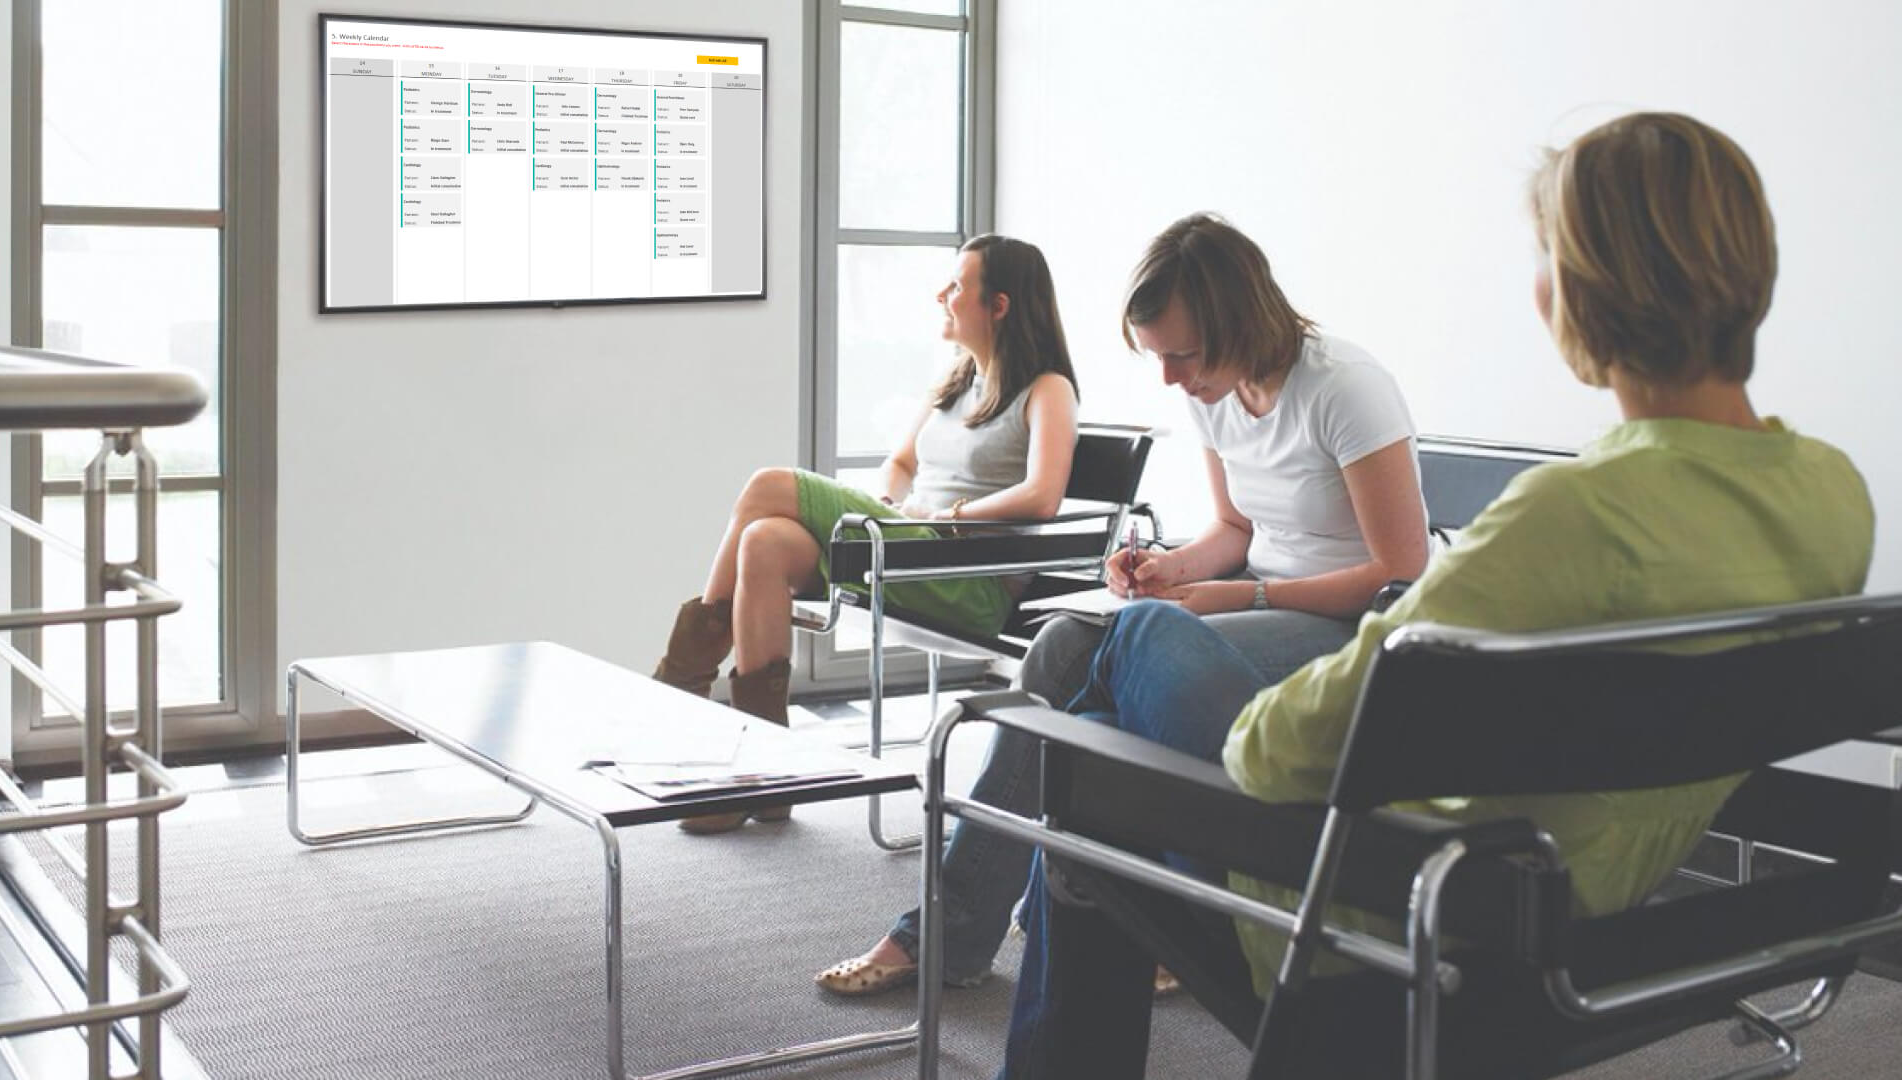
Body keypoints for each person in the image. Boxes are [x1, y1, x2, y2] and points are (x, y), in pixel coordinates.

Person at [997, 112, 1876, 1079]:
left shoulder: (1571, 517)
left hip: (1415, 905)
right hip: (1611, 896)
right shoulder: (1834, 495)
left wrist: (1210, 624)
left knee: (1108, 717)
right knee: (1091, 789)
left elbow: (1284, 748)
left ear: (1576, 291)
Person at [816, 213, 1431, 993]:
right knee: (1070, 665)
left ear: (1242, 319)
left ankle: (1015, 926)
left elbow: (1399, 571)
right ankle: (997, 931)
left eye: (1183, 355)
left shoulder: (1346, 387)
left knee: (1095, 653)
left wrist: (1239, 593)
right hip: (1260, 606)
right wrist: (1168, 568)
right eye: (1158, 357)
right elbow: (1238, 527)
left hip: (1355, 625)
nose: (1172, 379)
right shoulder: (1216, 388)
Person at [650, 234, 1080, 833]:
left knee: (765, 486)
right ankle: (768, 776)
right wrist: (886, 503)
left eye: (957, 285)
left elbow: (1043, 494)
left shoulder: (1048, 389)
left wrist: (947, 518)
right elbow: (901, 464)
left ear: (1000, 305)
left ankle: (672, 696)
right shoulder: (958, 384)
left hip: (963, 577)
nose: (942, 295)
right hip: (906, 549)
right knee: (764, 543)